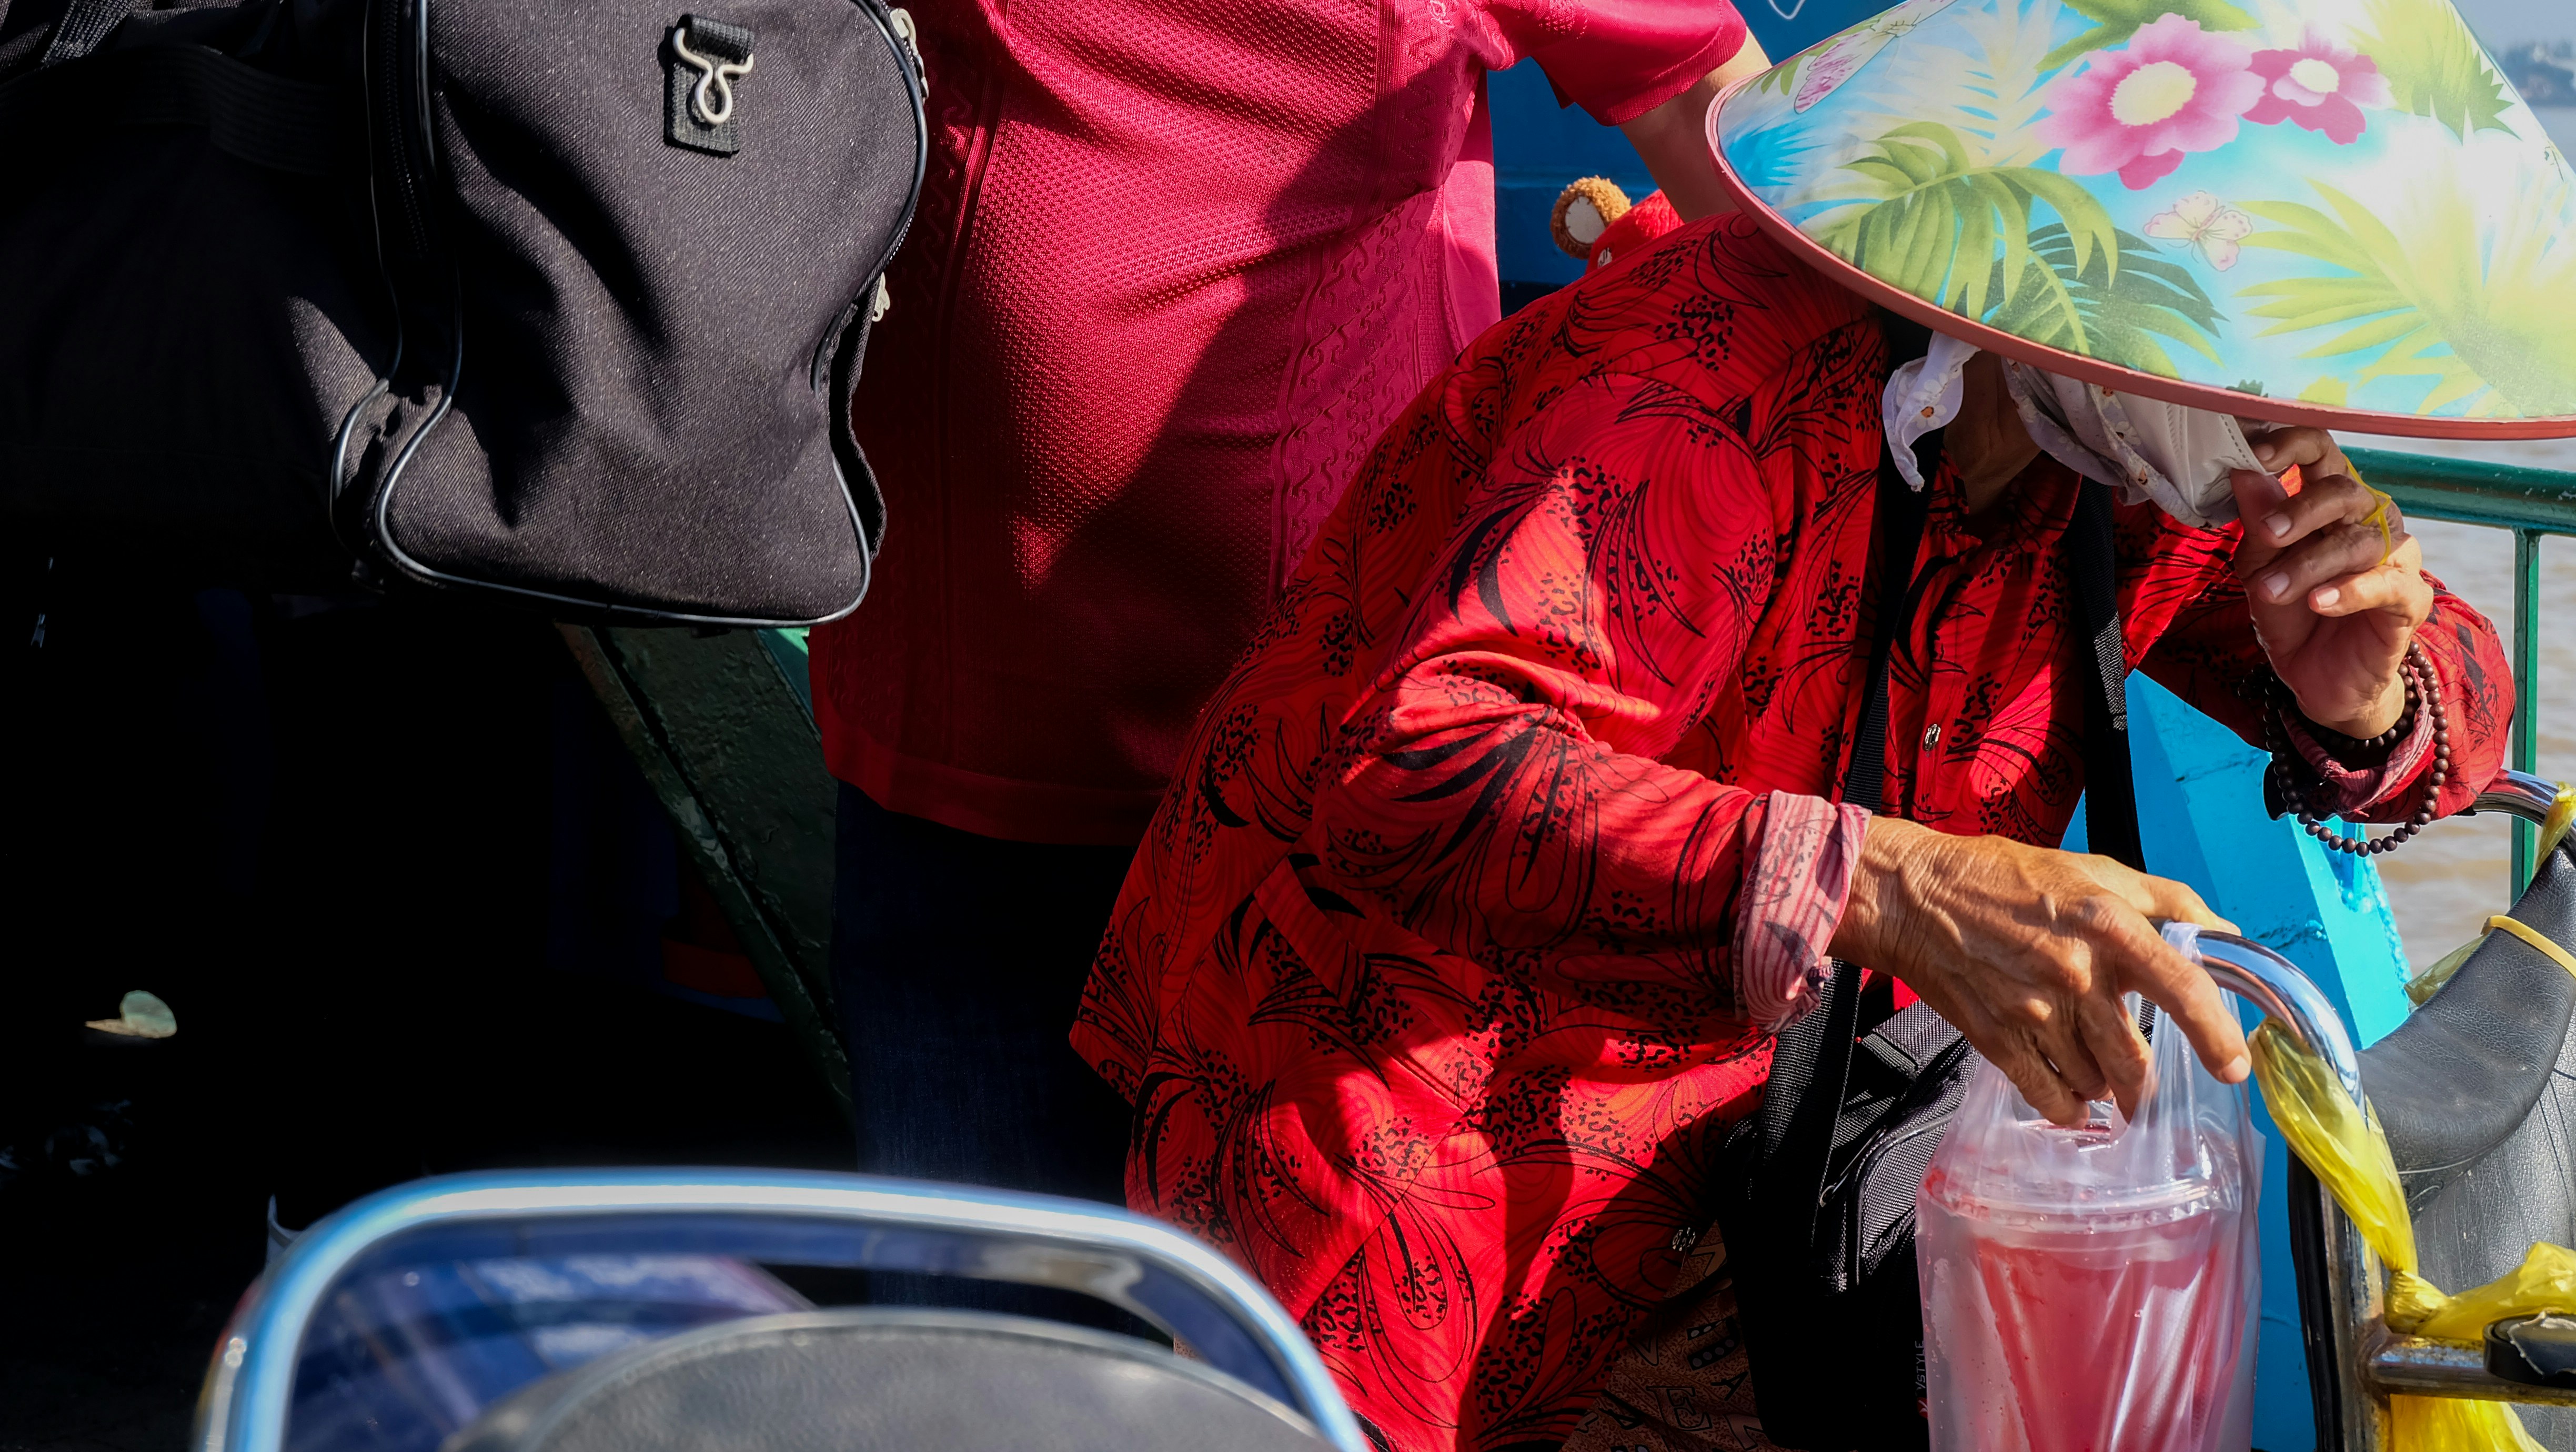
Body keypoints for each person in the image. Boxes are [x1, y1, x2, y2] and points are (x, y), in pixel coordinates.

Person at [1072, 0, 2572, 1441]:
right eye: (2265, 330)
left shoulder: (2124, 462)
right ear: (2083, 264)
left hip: (1738, 1194)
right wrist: (1897, 886)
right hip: (1404, 1144)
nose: (2297, 415)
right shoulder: (1702, 375)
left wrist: (2364, 689)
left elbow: (2442, 694)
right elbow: (1416, 768)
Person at [807, 0, 1774, 1209]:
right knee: (997, 1366)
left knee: (1282, 1365)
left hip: (1324, 794)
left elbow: (1718, 120)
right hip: (968, 770)